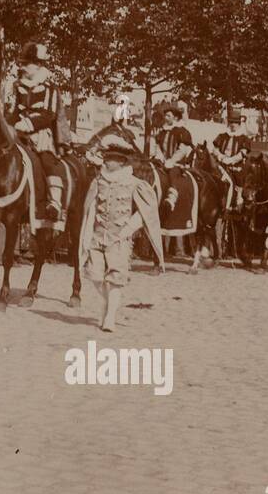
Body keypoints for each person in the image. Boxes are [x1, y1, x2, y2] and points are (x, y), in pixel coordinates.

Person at [77, 132, 163, 333]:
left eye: (110, 159)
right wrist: (87, 234)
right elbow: (89, 209)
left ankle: (110, 317)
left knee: (115, 279)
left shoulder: (134, 183)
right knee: (96, 277)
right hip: (98, 236)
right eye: (105, 158)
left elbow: (145, 213)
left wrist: (126, 231)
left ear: (121, 161)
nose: (105, 162)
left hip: (120, 239)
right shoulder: (98, 182)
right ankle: (109, 305)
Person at [10, 41, 69, 222]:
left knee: (47, 161)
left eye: (26, 64)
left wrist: (27, 124)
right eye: (22, 63)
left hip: (41, 134)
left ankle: (54, 202)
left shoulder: (49, 87)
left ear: (38, 65)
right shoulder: (16, 86)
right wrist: (9, 124)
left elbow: (49, 114)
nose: (22, 67)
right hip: (19, 133)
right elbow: (13, 111)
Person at [151, 102, 193, 210]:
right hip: (162, 161)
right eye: (165, 115)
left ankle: (172, 196)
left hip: (176, 163)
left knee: (173, 172)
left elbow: (182, 150)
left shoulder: (181, 131)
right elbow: (158, 146)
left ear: (175, 117)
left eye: (168, 116)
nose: (166, 118)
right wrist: (160, 158)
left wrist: (171, 161)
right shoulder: (162, 131)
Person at [207, 110, 250, 210]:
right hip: (221, 164)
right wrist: (221, 157)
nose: (233, 125)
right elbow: (215, 149)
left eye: (235, 122)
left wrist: (231, 160)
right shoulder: (222, 136)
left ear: (239, 124)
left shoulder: (243, 138)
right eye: (231, 122)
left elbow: (243, 153)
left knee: (236, 180)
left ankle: (235, 202)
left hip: (236, 166)